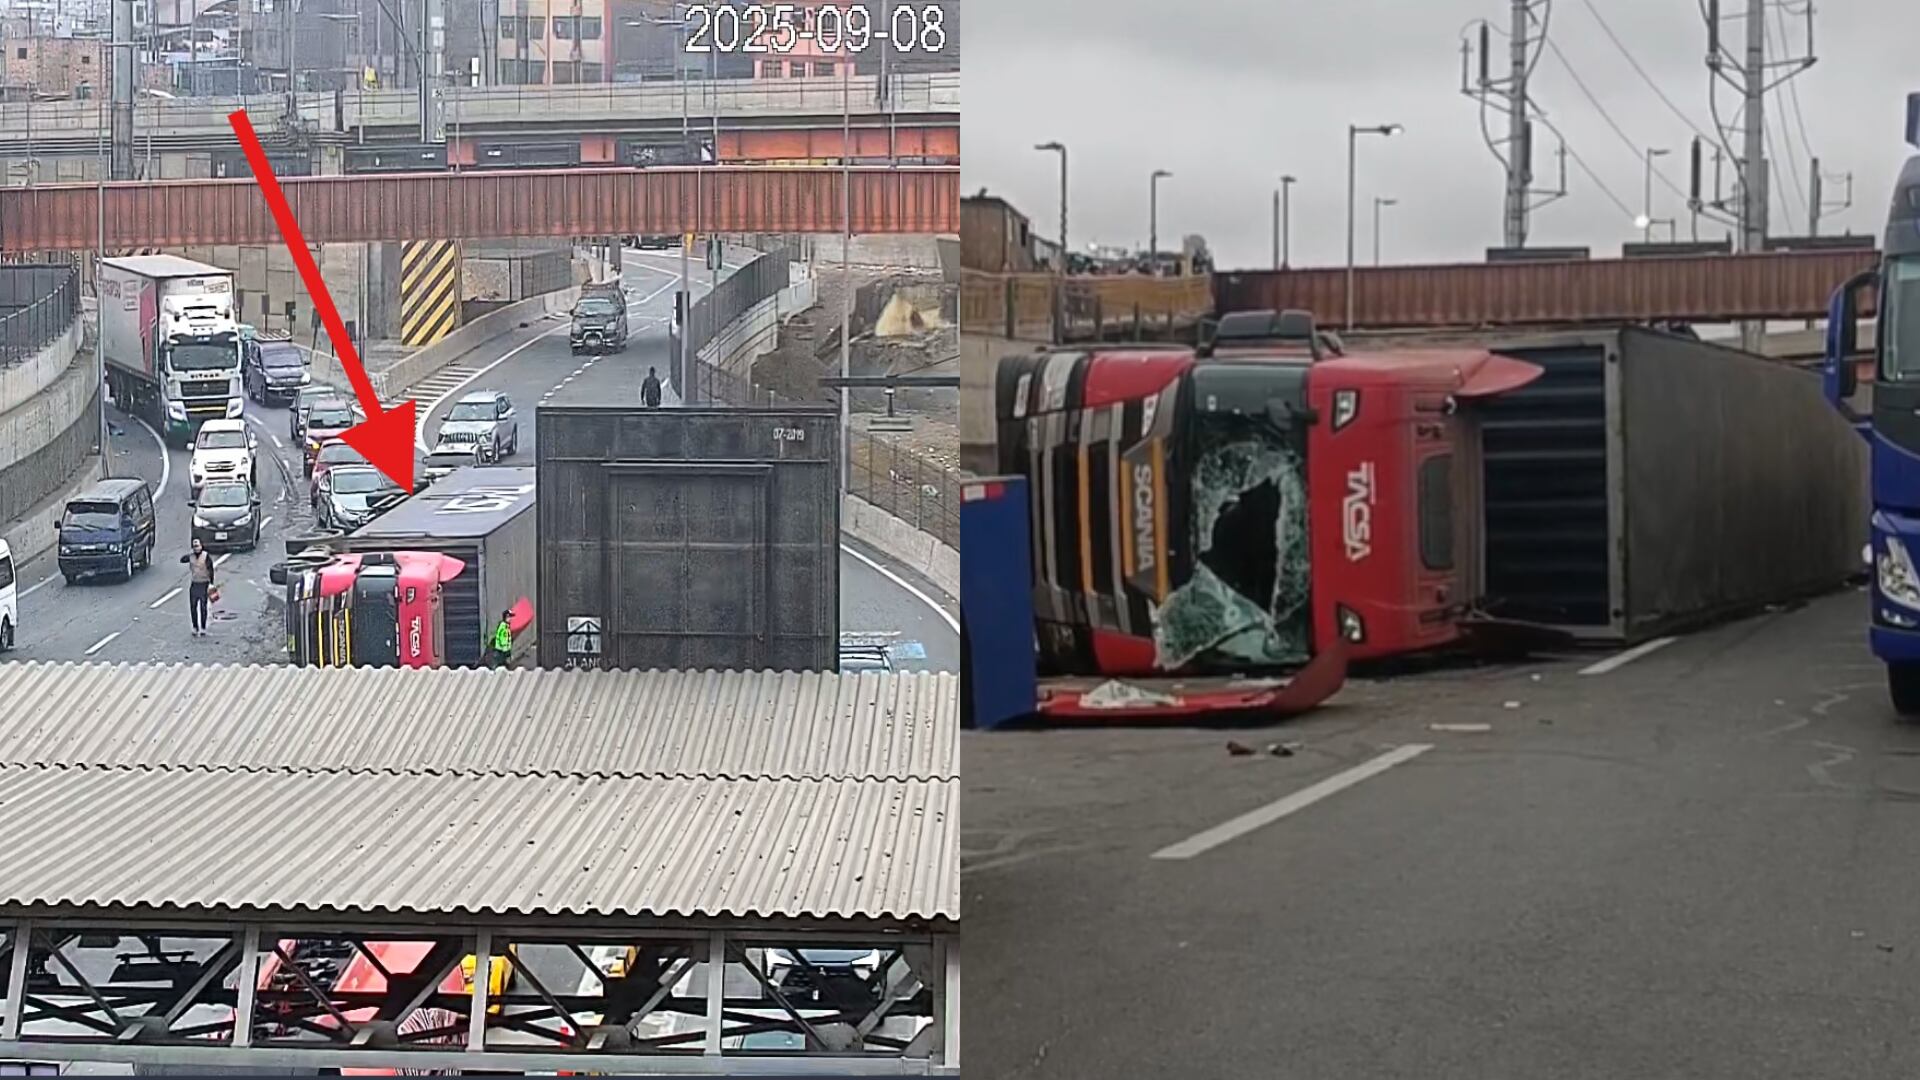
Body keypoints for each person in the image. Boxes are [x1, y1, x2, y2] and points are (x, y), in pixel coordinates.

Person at [180, 539, 215, 636]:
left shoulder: (206, 556)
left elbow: (211, 569)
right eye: (194, 546)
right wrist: (189, 555)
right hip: (195, 583)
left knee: (203, 607)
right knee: (193, 606)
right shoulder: (191, 557)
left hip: (204, 583)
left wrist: (211, 583)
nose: (196, 548)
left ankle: (203, 627)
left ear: (201, 546)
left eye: (198, 546)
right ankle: (195, 627)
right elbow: (182, 560)